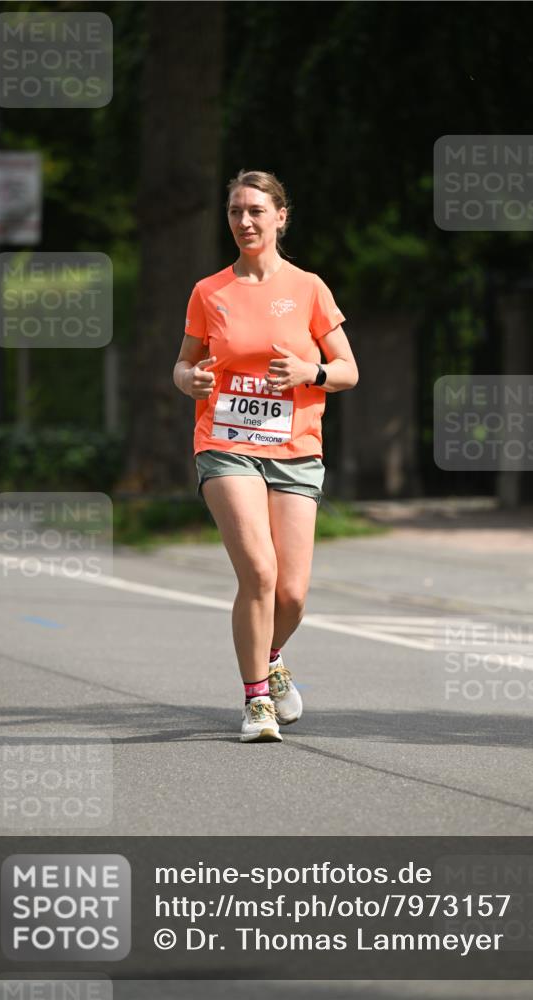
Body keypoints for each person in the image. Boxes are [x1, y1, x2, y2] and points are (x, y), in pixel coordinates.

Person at [173, 169, 358, 743]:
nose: (244, 221)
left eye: (256, 210)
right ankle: (256, 701)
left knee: (292, 593)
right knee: (258, 572)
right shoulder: (209, 292)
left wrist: (310, 372)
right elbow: (183, 365)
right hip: (226, 444)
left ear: (281, 216)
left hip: (295, 450)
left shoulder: (308, 288)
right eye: (235, 211)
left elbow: (348, 370)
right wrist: (190, 380)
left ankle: (270, 657)